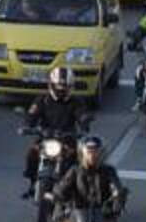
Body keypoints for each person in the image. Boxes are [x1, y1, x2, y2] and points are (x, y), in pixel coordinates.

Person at [21, 67, 93, 199]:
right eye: (58, 87)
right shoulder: (42, 100)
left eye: (64, 87)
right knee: (31, 153)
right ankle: (32, 183)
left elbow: (82, 115)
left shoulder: (76, 102)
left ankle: (77, 189)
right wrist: (27, 126)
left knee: (78, 161)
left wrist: (84, 123)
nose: (61, 90)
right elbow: (32, 115)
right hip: (45, 138)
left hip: (67, 139)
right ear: (51, 85)